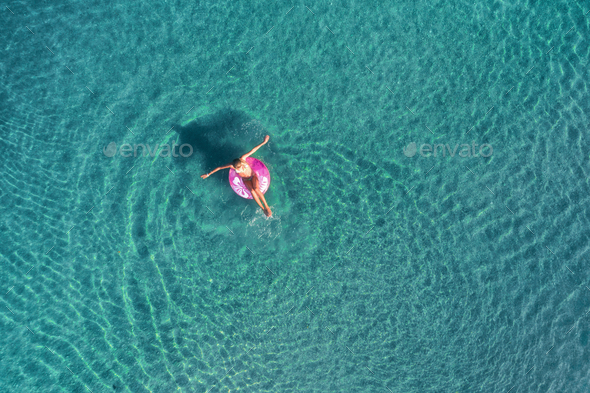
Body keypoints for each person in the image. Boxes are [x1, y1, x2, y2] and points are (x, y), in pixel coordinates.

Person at [201, 135, 272, 217]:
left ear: (241, 163)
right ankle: (262, 208)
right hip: (245, 180)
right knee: (252, 191)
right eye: (236, 168)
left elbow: (253, 149)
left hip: (253, 176)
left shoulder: (243, 158)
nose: (238, 169)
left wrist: (264, 142)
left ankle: (267, 206)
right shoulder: (232, 165)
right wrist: (208, 174)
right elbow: (219, 167)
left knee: (256, 188)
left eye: (239, 167)